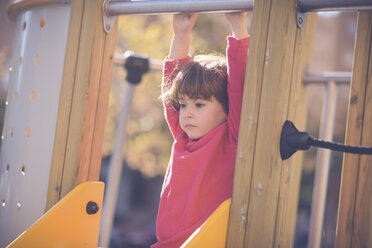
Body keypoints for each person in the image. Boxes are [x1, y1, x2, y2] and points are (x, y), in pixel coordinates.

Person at [152, 12, 249, 247]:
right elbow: (171, 87)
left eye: (199, 104)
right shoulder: (183, 137)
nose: (188, 113)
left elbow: (239, 84)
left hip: (206, 242)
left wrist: (238, 25)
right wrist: (181, 32)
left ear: (227, 109)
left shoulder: (230, 140)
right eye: (183, 105)